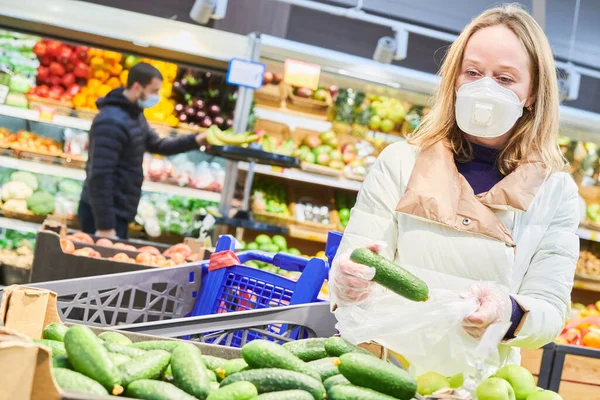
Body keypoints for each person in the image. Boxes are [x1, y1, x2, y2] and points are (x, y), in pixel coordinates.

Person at [331, 4, 579, 369]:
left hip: (475, 385)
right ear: (455, 80)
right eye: (473, 72)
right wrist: (348, 283)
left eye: (505, 79)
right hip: (379, 369)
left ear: (532, 94)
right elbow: (357, 262)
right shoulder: (400, 162)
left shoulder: (555, 193)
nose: (484, 89)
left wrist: (510, 311)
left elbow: (550, 309)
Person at [78, 62, 206, 239]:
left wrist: (196, 140)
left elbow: (158, 145)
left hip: (119, 210)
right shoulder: (111, 121)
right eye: (154, 91)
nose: (157, 96)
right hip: (102, 215)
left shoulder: (134, 115)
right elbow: (100, 176)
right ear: (138, 87)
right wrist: (105, 226)